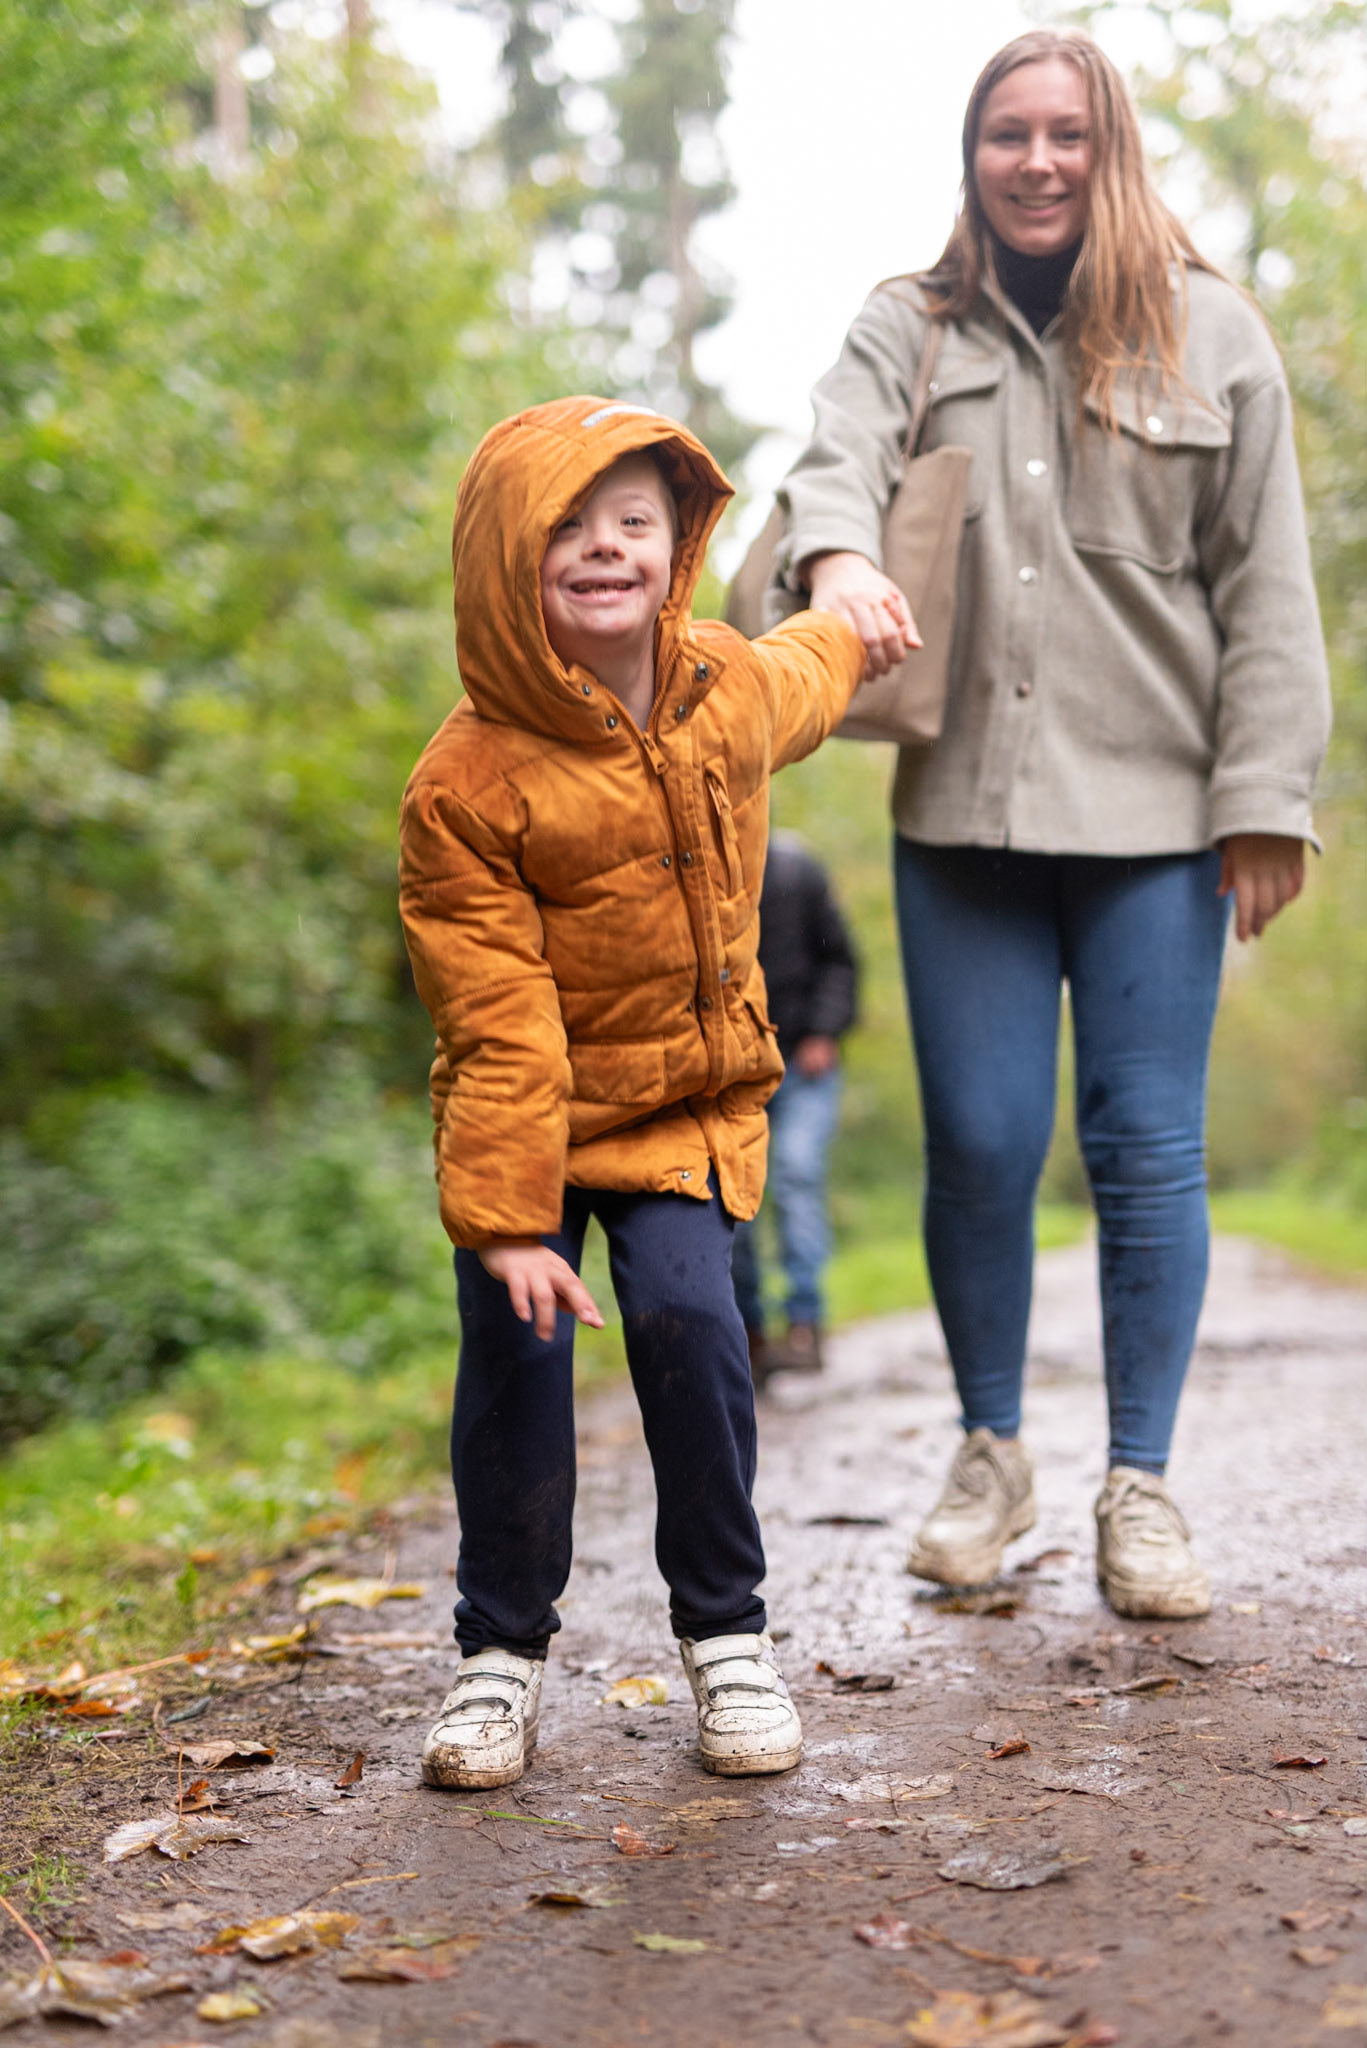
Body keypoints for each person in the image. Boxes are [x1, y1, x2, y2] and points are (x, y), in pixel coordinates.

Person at [772, 29, 1330, 1619]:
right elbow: (831, 462)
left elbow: (1266, 591)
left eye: (1064, 135)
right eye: (1004, 134)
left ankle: (1137, 1487)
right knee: (976, 1143)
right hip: (964, 820)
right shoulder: (907, 326)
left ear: (1111, 150)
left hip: (1157, 820)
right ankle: (990, 1453)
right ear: (971, 155)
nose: (1033, 161)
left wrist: (1263, 801)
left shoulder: (1209, 334)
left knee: (1143, 1152)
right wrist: (832, 564)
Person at [398, 396, 873, 1789]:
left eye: (634, 525)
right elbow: (492, 1021)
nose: (603, 550)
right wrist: (501, 1221)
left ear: (675, 551)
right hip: (529, 1127)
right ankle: (498, 1655)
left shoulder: (721, 689)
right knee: (515, 1349)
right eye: (567, 528)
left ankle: (725, 1635)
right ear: (506, 559)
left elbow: (807, 670)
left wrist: (859, 615)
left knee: (688, 1325)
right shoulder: (464, 782)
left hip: (679, 1113)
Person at [732, 831, 858, 1384]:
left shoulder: (796, 869)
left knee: (795, 1175)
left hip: (803, 1062)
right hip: (732, 1074)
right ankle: (749, 1335)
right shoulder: (690, 866)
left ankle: (805, 1326)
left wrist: (824, 1033)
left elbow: (841, 963)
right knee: (736, 1201)